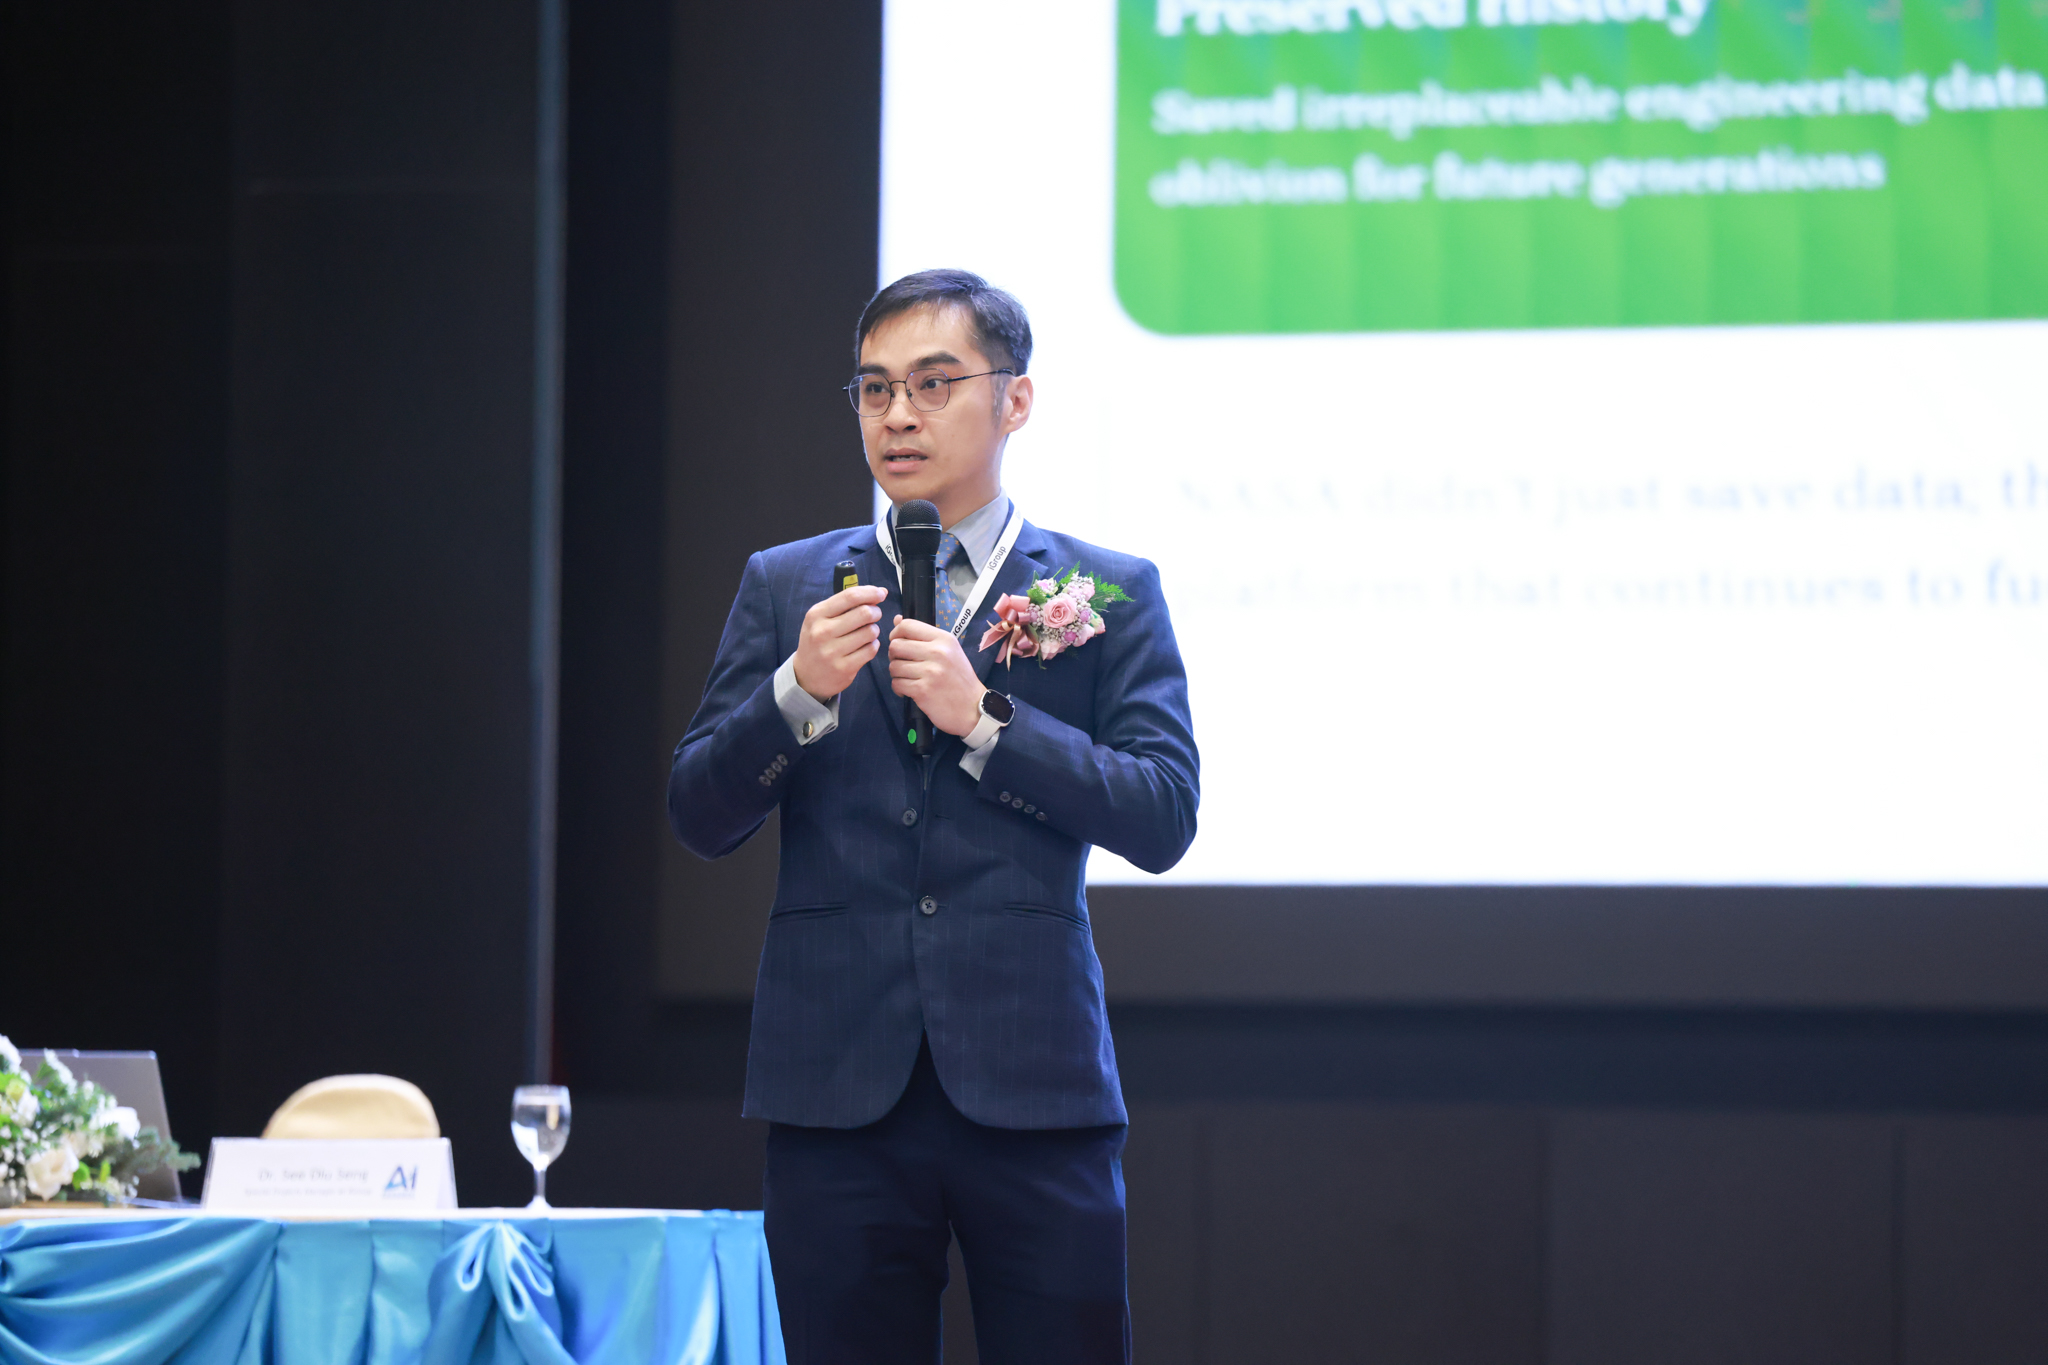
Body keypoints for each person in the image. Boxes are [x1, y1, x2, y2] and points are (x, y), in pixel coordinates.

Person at [668, 269, 1199, 1364]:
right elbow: (698, 812)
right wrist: (794, 693)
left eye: (932, 383)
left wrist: (987, 718)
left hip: (1033, 1081)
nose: (898, 415)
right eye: (874, 389)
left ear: (1015, 400)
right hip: (835, 1087)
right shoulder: (786, 586)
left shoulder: (1106, 590)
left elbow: (1162, 813)